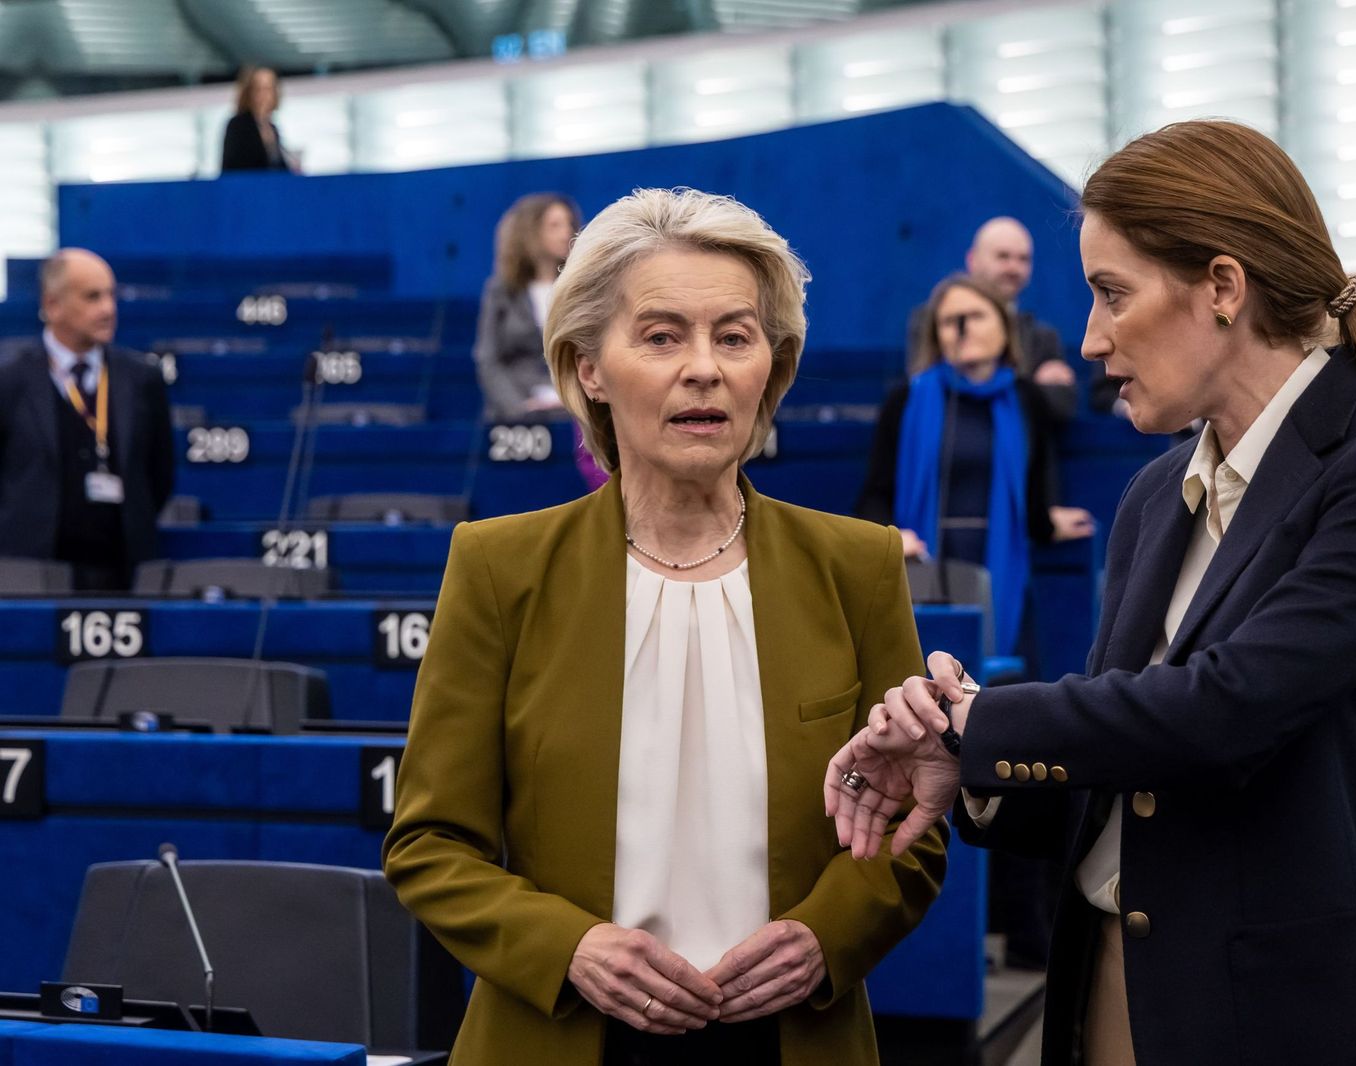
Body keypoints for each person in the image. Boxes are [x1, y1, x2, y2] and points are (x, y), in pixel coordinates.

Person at [826, 120, 1356, 1066]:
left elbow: (1228, 711)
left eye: (1110, 294)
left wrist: (979, 723)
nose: (1091, 339)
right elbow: (1129, 771)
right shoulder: (1154, 494)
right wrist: (967, 771)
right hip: (1108, 987)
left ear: (1222, 286)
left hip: (1276, 1016)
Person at [384, 187, 947, 1065]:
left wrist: (825, 937)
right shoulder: (498, 567)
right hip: (562, 1034)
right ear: (589, 369)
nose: (704, 368)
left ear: (773, 368)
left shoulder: (858, 565)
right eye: (661, 335)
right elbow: (429, 844)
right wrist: (567, 947)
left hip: (793, 1038)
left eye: (734, 336)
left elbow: (914, 824)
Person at [860, 273, 1094, 658]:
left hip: (1001, 564)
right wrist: (892, 536)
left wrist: (1048, 523)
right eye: (950, 321)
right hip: (927, 563)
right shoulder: (907, 399)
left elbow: (1034, 491)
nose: (962, 328)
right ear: (936, 335)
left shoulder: (1025, 399)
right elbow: (873, 495)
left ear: (1004, 326)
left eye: (976, 315)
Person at [0, 249, 174, 591]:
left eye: (111, 295)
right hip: (31, 572)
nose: (108, 309)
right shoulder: (9, 381)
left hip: (123, 573)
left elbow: (159, 475)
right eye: (92, 297)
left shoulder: (143, 378)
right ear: (53, 305)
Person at [906, 218, 1077, 390]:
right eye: (1003, 256)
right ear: (972, 260)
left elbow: (1060, 405)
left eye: (1023, 259)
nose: (1013, 268)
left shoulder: (1043, 339)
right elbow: (921, 381)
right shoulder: (932, 319)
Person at [474, 192, 581, 422]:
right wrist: (518, 408)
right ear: (531, 232)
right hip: (517, 412)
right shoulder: (501, 290)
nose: (566, 233)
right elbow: (488, 359)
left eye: (569, 224)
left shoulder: (578, 287)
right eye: (555, 225)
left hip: (571, 408)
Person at [220, 66, 297, 172]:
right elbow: (234, 168)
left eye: (269, 89)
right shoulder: (238, 126)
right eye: (258, 89)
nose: (264, 95)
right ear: (249, 92)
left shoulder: (272, 128)